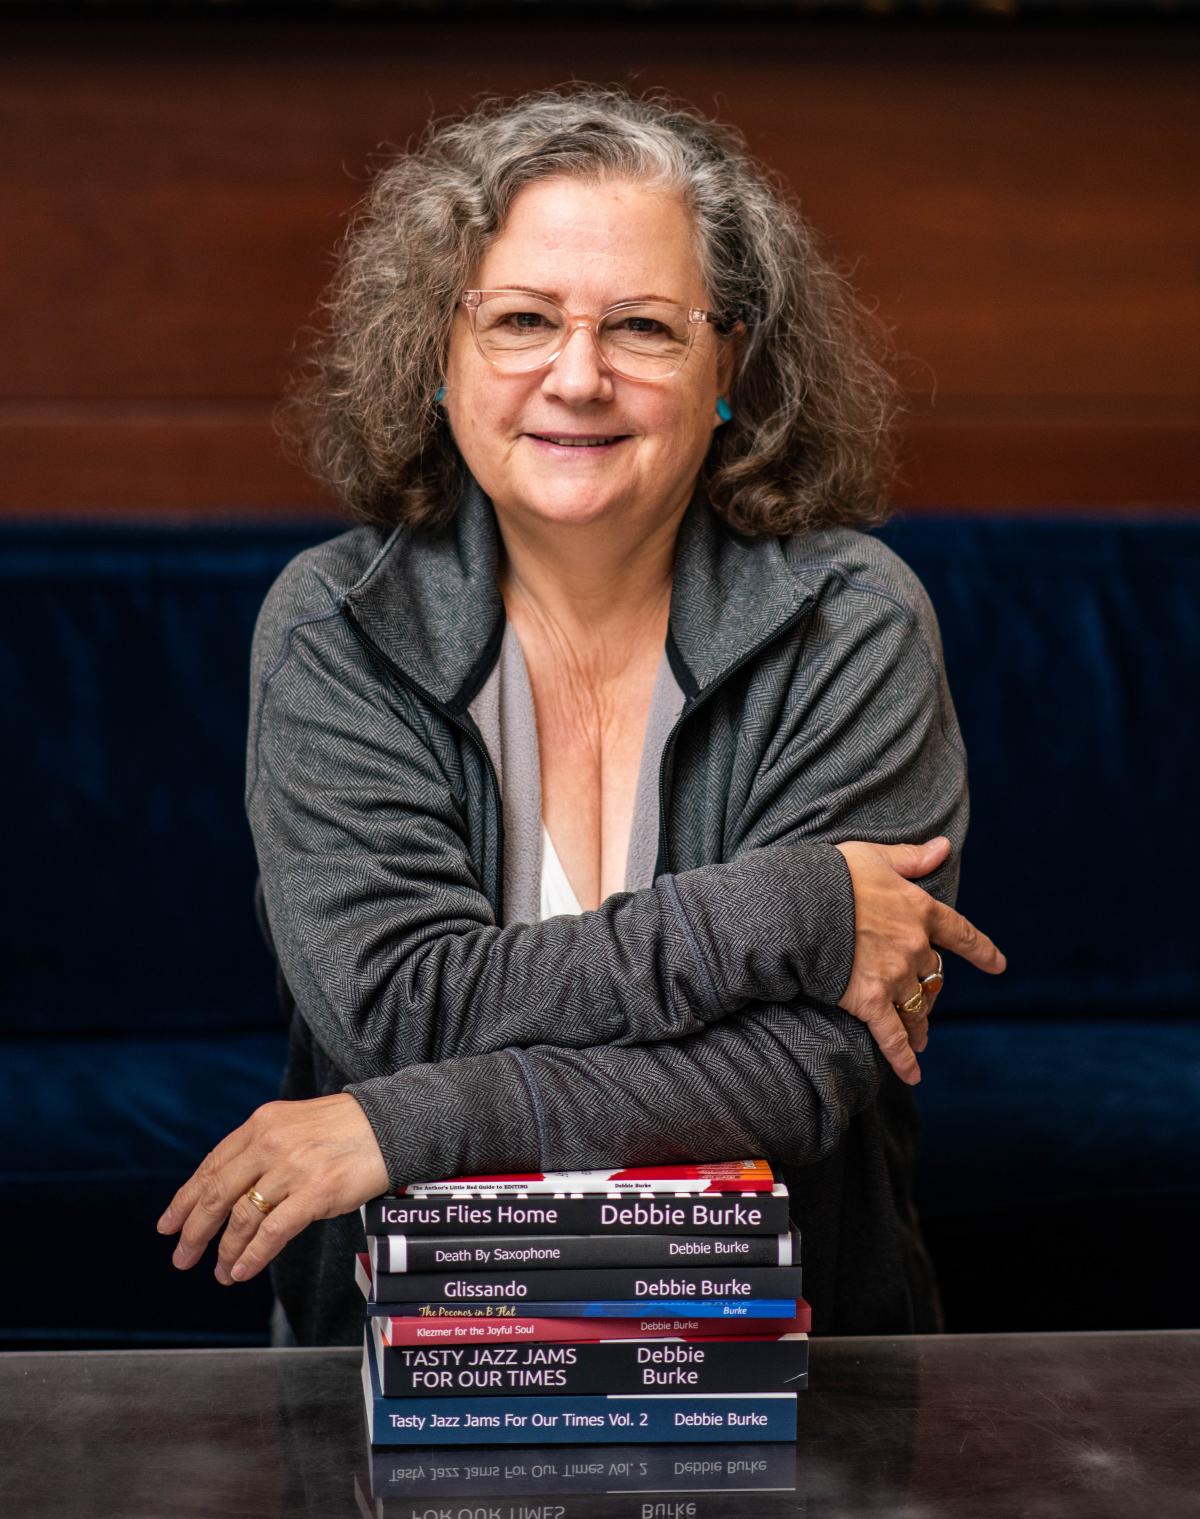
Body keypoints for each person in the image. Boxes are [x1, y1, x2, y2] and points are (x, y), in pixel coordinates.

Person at [157, 85, 1005, 1343]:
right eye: (520, 319)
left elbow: (805, 1072)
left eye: (646, 328)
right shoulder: (335, 623)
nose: (578, 375)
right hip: (398, 1345)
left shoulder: (852, 617)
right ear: (436, 362)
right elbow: (399, 1007)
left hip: (785, 1336)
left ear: (732, 370)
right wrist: (801, 907)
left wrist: (404, 1125)